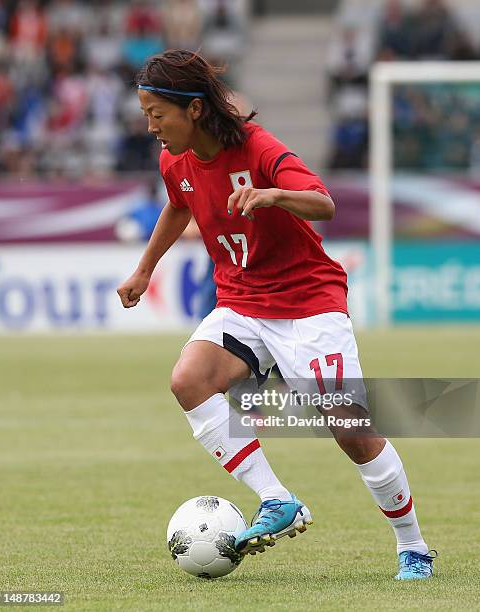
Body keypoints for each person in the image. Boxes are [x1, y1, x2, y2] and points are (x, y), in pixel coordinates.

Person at [117, 50, 436, 580]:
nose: (150, 127)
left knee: (350, 428)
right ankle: (276, 498)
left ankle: (414, 546)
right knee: (189, 380)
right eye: (146, 114)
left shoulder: (258, 148)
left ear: (194, 109)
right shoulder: (174, 160)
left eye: (157, 114)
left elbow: (323, 203)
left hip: (309, 304)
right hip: (242, 302)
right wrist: (145, 269)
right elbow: (178, 203)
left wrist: (273, 195)